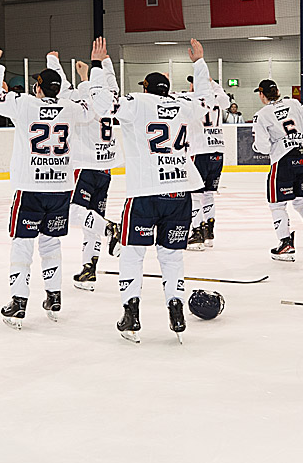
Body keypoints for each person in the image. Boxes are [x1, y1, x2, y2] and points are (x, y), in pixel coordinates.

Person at [85, 38, 214, 343]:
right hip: (180, 194)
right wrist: (199, 62)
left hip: (145, 193)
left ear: (146, 88)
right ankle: (176, 311)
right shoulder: (183, 105)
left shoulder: (137, 103)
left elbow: (101, 102)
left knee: (132, 254)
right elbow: (207, 99)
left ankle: (131, 314)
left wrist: (97, 66)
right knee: (172, 258)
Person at [0, 47, 96, 328]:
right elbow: (93, 108)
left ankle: (19, 301)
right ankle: (54, 296)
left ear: (39, 88)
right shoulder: (70, 108)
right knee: (51, 242)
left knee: (23, 243)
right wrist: (85, 80)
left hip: (30, 188)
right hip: (60, 188)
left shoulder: (24, 104)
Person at [44, 47, 123, 291]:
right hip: (106, 169)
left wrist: (53, 61)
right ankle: (89, 269)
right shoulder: (110, 99)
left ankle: (110, 228)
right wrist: (104, 64)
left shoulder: (82, 101)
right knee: (92, 218)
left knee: (74, 212)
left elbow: (59, 88)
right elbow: (112, 84)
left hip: (85, 167)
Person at [252, 78, 303, 262]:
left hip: (283, 160)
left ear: (262, 95)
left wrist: (259, 147)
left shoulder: (262, 114)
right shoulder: (294, 104)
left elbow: (263, 147)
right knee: (302, 202)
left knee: (277, 205)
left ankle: (286, 244)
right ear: (278, 91)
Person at [179, 73, 231, 251]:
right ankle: (209, 232)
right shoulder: (218, 98)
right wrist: (211, 82)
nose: (190, 87)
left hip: (199, 151)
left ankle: (197, 233)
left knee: (194, 195)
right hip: (217, 151)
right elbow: (225, 99)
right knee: (208, 194)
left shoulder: (192, 98)